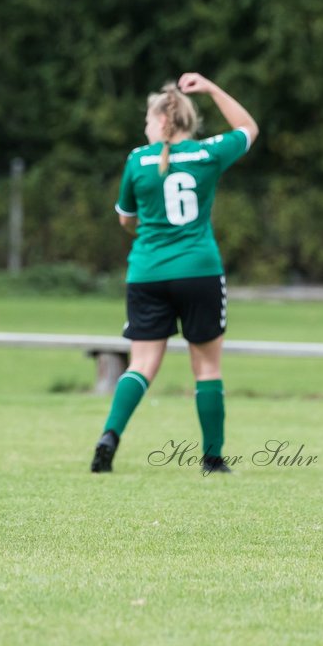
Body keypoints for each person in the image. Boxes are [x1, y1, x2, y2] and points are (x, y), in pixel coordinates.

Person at [91, 73, 257, 475]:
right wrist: (214, 89)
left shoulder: (137, 160)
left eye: (148, 121)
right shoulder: (209, 153)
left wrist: (149, 226)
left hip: (148, 272)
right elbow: (248, 128)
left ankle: (110, 436)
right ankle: (213, 458)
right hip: (200, 270)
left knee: (142, 364)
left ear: (161, 122)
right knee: (207, 369)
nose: (145, 128)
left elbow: (126, 219)